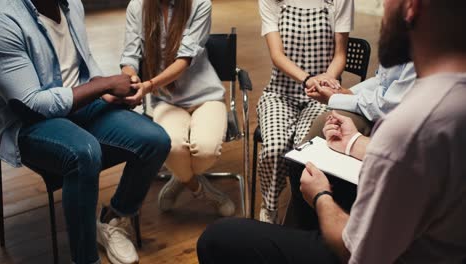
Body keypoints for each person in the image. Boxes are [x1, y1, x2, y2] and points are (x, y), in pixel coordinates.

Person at [197, 0, 466, 262]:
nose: (383, 7)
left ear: (412, 7)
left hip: (363, 251)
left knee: (218, 237)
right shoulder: (447, 105)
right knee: (287, 154)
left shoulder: (408, 128)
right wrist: (354, 142)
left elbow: (357, 250)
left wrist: (321, 196)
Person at [0, 0, 171, 263]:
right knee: (84, 153)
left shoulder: (72, 5)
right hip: (29, 122)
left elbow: (85, 66)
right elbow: (32, 104)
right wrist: (106, 86)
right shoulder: (4, 18)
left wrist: (109, 93)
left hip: (80, 105)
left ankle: (112, 219)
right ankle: (86, 258)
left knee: (155, 140)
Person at [119, 0, 235, 217]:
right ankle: (202, 190)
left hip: (205, 95)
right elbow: (130, 56)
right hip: (166, 100)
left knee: (206, 151)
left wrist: (149, 85)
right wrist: (130, 78)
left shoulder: (200, 4)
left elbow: (184, 60)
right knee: (171, 148)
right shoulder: (137, 6)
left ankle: (180, 177)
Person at [256, 0, 354, 223]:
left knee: (305, 151)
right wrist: (308, 79)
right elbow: (277, 55)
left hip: (323, 94)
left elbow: (340, 55)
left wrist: (326, 82)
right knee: (274, 148)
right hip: (280, 93)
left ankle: (300, 213)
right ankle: (270, 207)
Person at [285, 62, 416, 229]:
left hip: (396, 123)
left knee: (310, 153)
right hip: (382, 116)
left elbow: (388, 105)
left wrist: (335, 98)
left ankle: (320, 216)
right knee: (302, 158)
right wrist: (344, 93)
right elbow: (382, 81)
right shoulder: (401, 43)